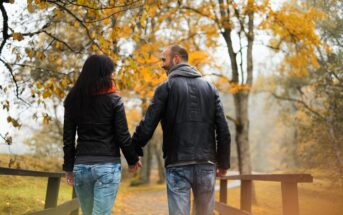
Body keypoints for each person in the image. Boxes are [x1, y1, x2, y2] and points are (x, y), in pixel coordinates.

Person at [132, 45, 231, 215]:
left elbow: (148, 124)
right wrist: (223, 162)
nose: (162, 64)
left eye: (164, 59)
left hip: (177, 163)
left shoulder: (166, 88)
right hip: (206, 164)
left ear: (176, 59)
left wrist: (133, 151)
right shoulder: (210, 88)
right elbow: (223, 129)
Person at [63, 54, 141, 215]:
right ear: (104, 74)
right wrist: (132, 159)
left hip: (81, 167)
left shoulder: (73, 100)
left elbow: (68, 139)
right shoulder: (114, 100)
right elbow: (123, 136)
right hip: (107, 166)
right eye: (111, 72)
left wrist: (69, 167)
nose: (113, 76)